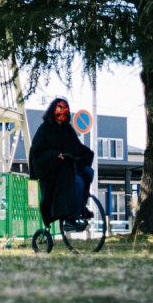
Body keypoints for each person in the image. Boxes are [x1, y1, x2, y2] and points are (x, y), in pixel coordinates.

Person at [28, 98, 95, 231]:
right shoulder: (44, 129)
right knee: (77, 182)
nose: (62, 117)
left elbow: (75, 146)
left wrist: (85, 154)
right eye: (59, 112)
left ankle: (81, 206)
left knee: (89, 172)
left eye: (65, 112)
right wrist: (54, 155)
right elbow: (37, 153)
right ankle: (71, 219)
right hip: (53, 172)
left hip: (68, 167)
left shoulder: (67, 129)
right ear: (53, 113)